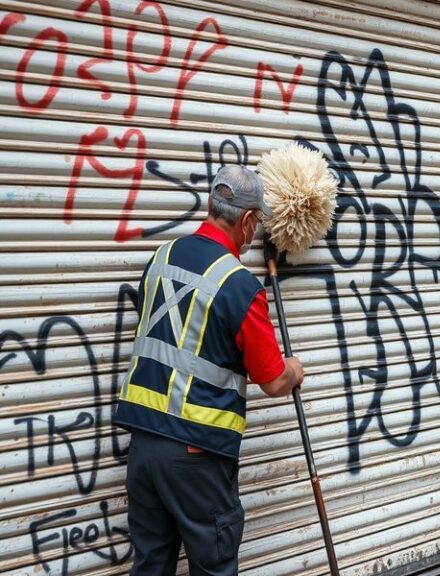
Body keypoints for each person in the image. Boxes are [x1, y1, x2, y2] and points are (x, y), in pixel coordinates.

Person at [113, 164, 304, 575]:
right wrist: (294, 369)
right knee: (213, 566)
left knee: (150, 566)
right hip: (195, 456)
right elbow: (271, 380)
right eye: (256, 225)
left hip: (143, 447)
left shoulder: (160, 258)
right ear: (249, 219)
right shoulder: (240, 286)